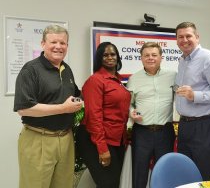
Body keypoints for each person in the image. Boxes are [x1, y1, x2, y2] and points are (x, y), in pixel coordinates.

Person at [14, 25, 83, 188]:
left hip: (65, 139)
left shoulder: (67, 69)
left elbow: (76, 94)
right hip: (39, 139)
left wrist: (79, 102)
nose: (58, 46)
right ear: (43, 44)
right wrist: (63, 108)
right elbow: (23, 108)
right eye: (53, 42)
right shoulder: (30, 70)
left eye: (63, 43)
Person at [174, 22, 210, 181]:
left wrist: (196, 96)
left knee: (206, 174)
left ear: (197, 37)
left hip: (205, 125)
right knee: (187, 172)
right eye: (180, 37)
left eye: (188, 36)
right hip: (185, 125)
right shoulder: (183, 61)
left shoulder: (209, 58)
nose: (184, 40)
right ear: (176, 40)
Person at [75, 42, 131, 188]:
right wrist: (102, 148)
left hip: (115, 139)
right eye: (105, 55)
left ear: (118, 57)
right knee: (108, 183)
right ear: (99, 58)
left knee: (113, 182)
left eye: (113, 54)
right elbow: (94, 115)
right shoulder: (95, 80)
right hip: (96, 139)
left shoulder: (118, 80)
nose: (110, 57)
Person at [127, 42, 176, 188]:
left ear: (161, 57)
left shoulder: (173, 76)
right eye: (146, 55)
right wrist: (131, 112)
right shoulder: (133, 79)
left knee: (165, 172)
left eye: (154, 55)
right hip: (142, 132)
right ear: (141, 58)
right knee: (139, 172)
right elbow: (128, 103)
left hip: (165, 132)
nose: (150, 58)